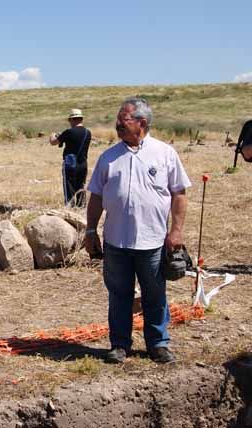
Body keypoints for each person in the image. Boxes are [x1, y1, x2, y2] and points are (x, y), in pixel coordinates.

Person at [85, 97, 191, 364]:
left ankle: (158, 343)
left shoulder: (165, 153)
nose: (118, 125)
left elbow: (179, 193)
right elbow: (96, 196)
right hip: (116, 242)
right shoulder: (108, 157)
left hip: (153, 241)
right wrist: (90, 231)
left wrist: (176, 232)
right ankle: (120, 344)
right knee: (119, 294)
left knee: (154, 294)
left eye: (124, 120)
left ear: (142, 123)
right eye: (118, 120)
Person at [49, 108, 92, 207]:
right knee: (80, 188)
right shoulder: (88, 132)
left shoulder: (69, 132)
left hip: (70, 164)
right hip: (83, 164)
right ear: (81, 119)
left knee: (69, 189)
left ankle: (70, 210)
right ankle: (81, 209)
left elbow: (54, 142)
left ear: (72, 119)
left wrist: (52, 135)